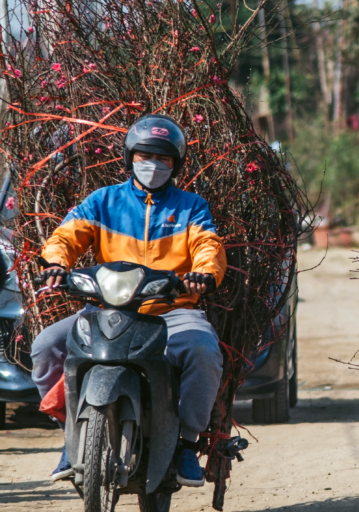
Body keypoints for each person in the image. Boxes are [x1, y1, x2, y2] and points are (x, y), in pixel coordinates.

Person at [32, 114, 227, 488]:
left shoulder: (191, 207)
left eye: (163, 158)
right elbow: (67, 236)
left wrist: (204, 273)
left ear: (177, 164)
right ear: (128, 157)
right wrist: (56, 264)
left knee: (203, 351)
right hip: (106, 310)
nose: (152, 164)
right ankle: (73, 431)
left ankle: (186, 441)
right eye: (143, 155)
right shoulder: (102, 202)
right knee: (46, 347)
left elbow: (208, 245)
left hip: (172, 311)